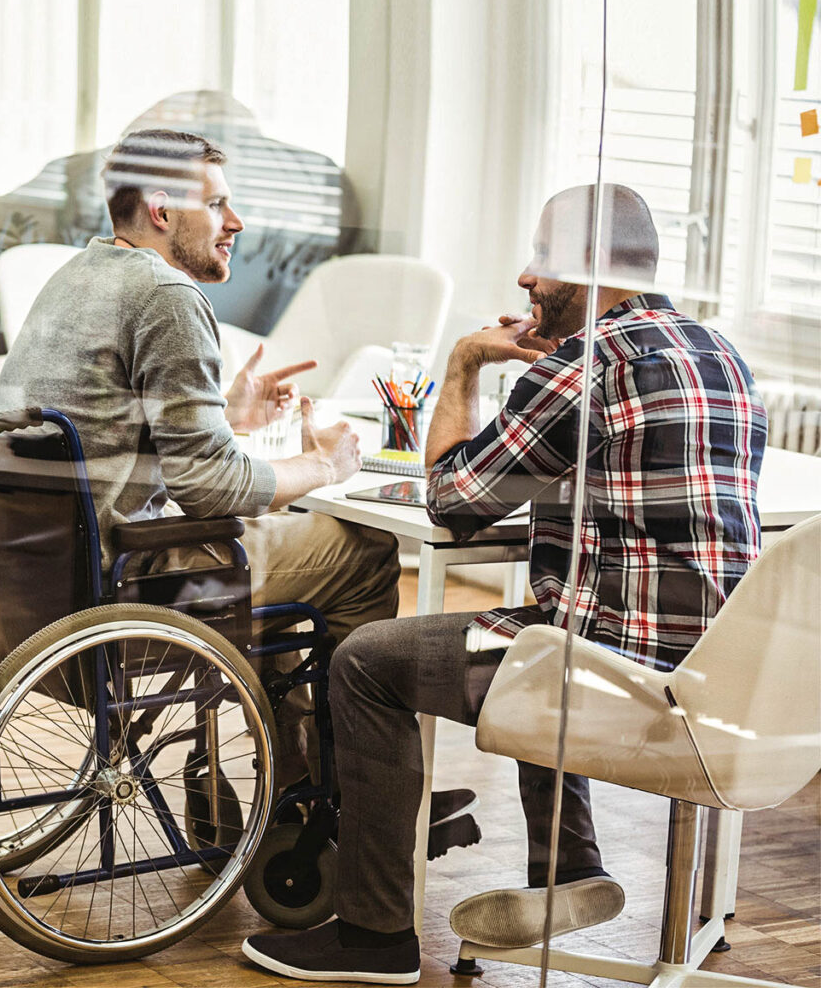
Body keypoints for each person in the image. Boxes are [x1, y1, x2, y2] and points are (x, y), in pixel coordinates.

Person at [242, 183, 768, 985]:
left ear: (590, 269)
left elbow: (452, 500)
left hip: (618, 684)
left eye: (543, 260)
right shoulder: (720, 354)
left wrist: (465, 364)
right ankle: (568, 871)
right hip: (724, 680)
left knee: (371, 662)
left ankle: (373, 934)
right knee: (542, 622)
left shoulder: (583, 366)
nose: (526, 278)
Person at [0, 129, 475, 846]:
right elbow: (210, 488)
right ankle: (358, 794)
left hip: (40, 578)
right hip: (130, 579)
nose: (237, 222)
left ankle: (291, 785)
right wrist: (326, 468)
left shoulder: (79, 275)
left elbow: (113, 431)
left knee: (288, 573)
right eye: (218, 204)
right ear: (162, 209)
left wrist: (230, 415)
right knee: (362, 550)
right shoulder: (166, 293)